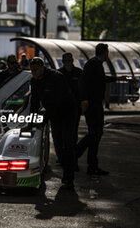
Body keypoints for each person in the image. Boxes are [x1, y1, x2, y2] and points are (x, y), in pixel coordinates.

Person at [26, 57, 77, 189]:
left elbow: (57, 101)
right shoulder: (34, 81)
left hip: (67, 111)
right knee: (58, 145)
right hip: (54, 114)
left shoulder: (56, 77)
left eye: (36, 70)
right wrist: (30, 123)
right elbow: (34, 104)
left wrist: (43, 120)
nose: (34, 73)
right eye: (31, 70)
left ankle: (69, 176)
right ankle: (66, 167)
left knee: (67, 143)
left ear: (43, 67)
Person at [77, 43, 125, 175]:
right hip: (93, 104)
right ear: (104, 52)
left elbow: (99, 79)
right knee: (95, 133)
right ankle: (75, 154)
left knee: (96, 134)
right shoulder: (93, 64)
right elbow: (84, 82)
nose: (108, 55)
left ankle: (91, 165)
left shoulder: (94, 64)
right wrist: (84, 99)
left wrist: (116, 78)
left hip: (94, 103)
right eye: (107, 52)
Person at [58, 52, 83, 145]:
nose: (68, 62)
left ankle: (73, 150)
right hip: (62, 106)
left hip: (75, 105)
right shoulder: (59, 73)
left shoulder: (79, 72)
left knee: (74, 128)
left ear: (72, 60)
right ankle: (64, 150)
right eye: (65, 60)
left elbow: (83, 88)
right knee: (63, 128)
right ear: (63, 61)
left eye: (69, 60)